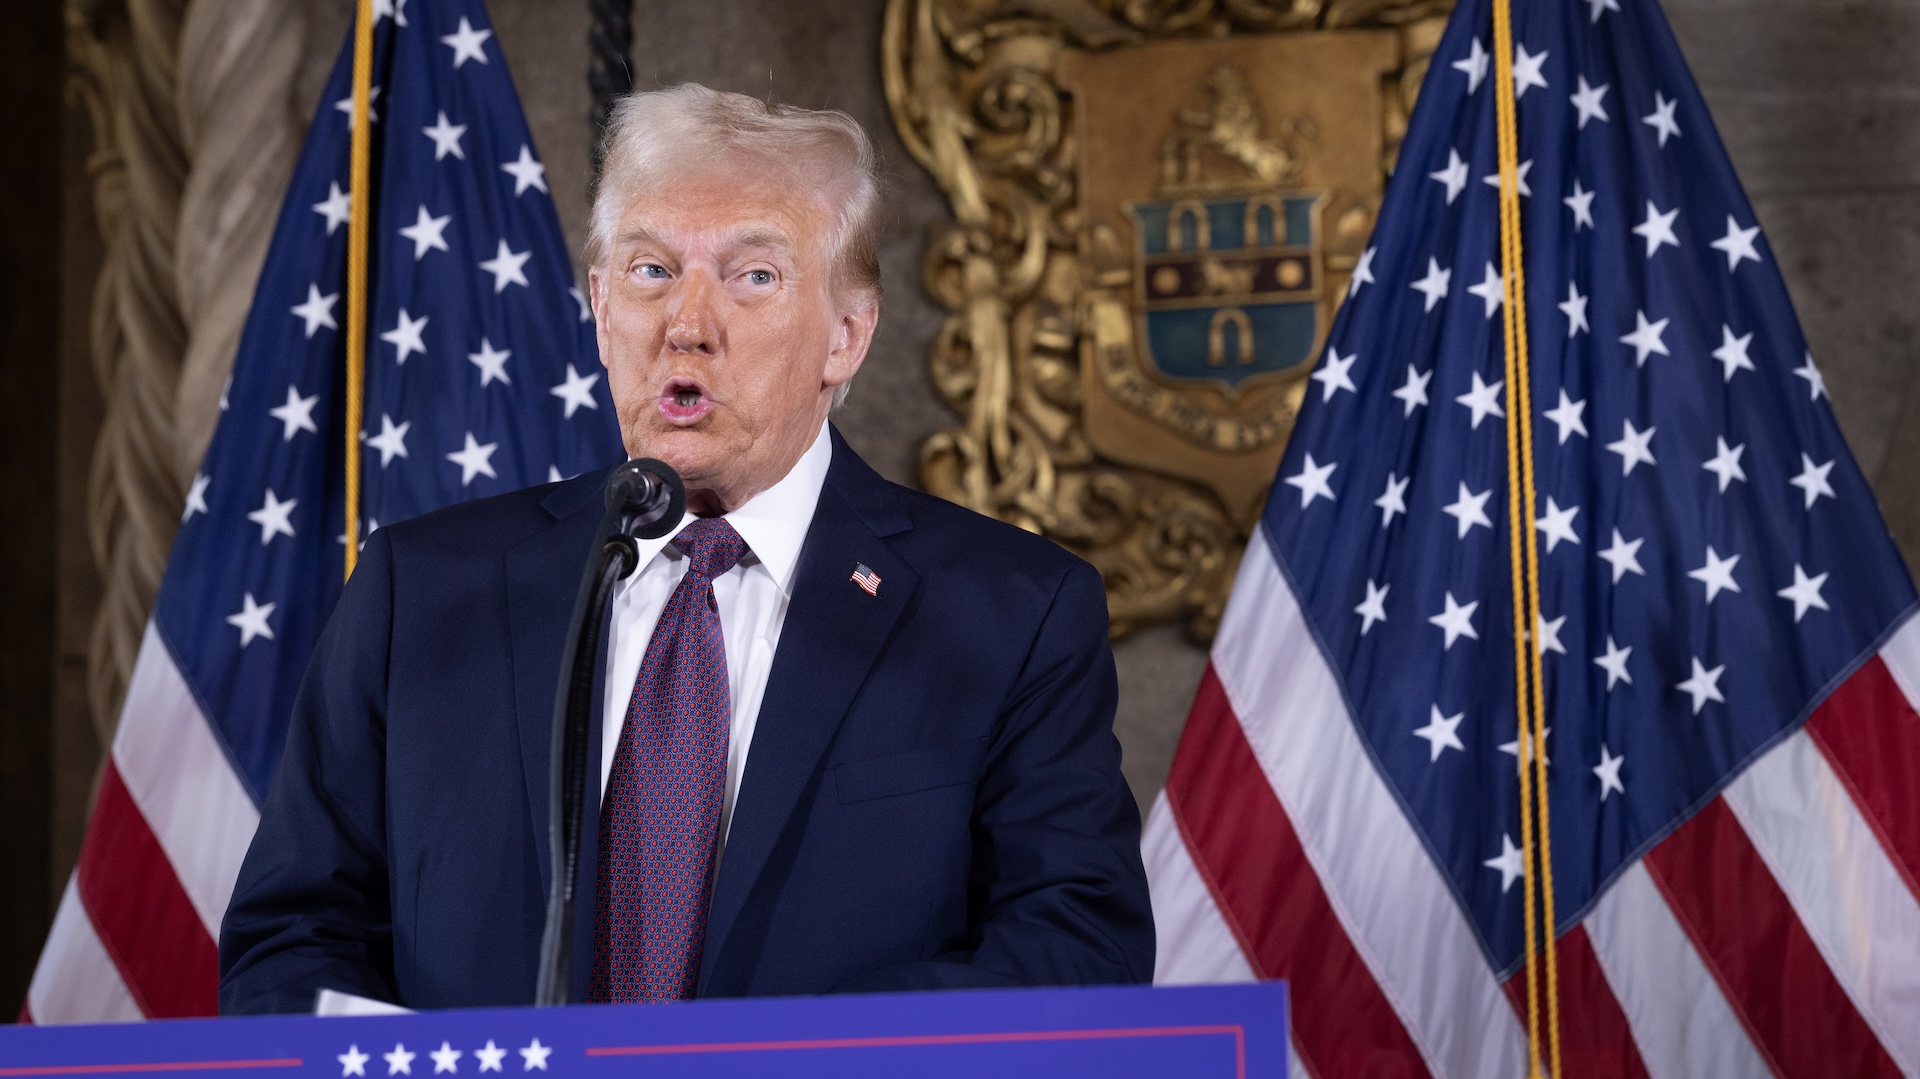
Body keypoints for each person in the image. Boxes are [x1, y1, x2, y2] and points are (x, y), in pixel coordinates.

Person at [219, 84, 1152, 1012]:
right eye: (651, 270)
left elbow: (1073, 946)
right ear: (598, 307)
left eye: (754, 277)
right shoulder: (419, 592)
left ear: (848, 335)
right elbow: (293, 940)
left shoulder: (1011, 614)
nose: (687, 326)